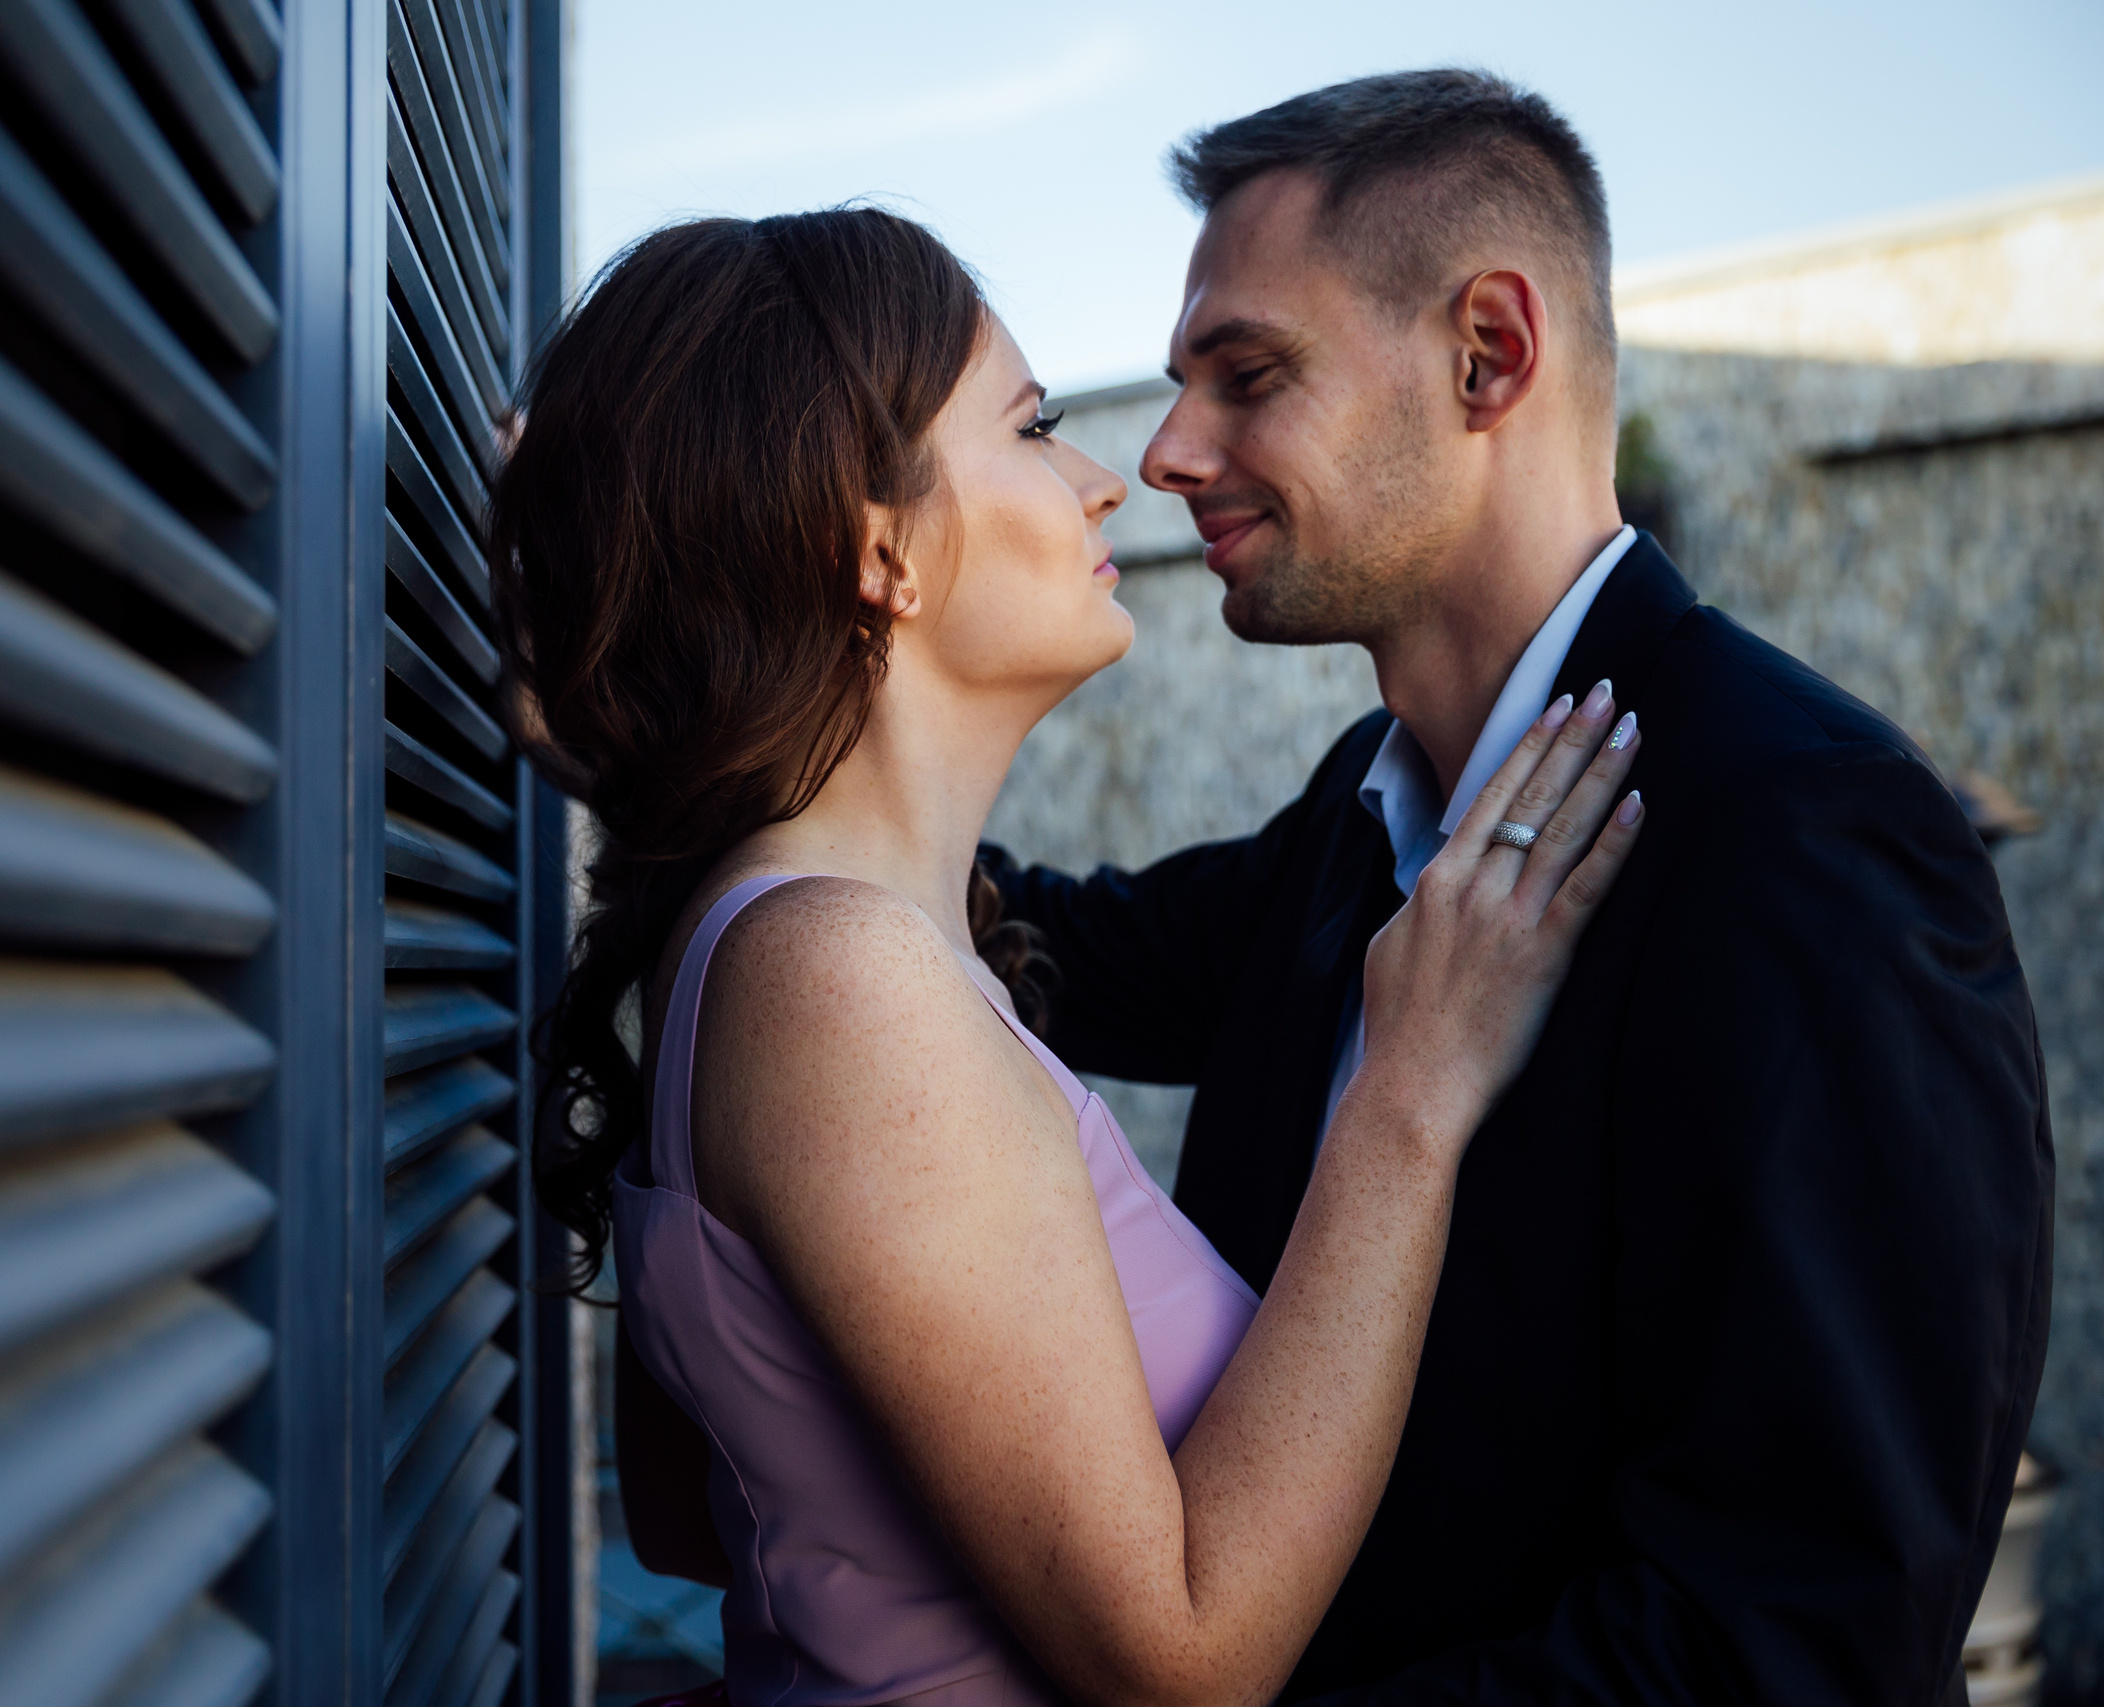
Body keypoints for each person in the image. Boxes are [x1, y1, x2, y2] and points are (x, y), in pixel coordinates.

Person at [976, 71, 2054, 1703]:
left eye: (1246, 374)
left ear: (1491, 353)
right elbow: (1032, 941)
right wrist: (700, 694)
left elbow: (1794, 1643)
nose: (1175, 451)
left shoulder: (1804, 835)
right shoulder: (1363, 810)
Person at [494, 206, 1647, 1707]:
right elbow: (1185, 1665)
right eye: (1034, 429)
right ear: (881, 548)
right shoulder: (843, 984)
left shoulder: (779, 948)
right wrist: (1411, 1099)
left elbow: (707, 1509)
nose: (1110, 479)